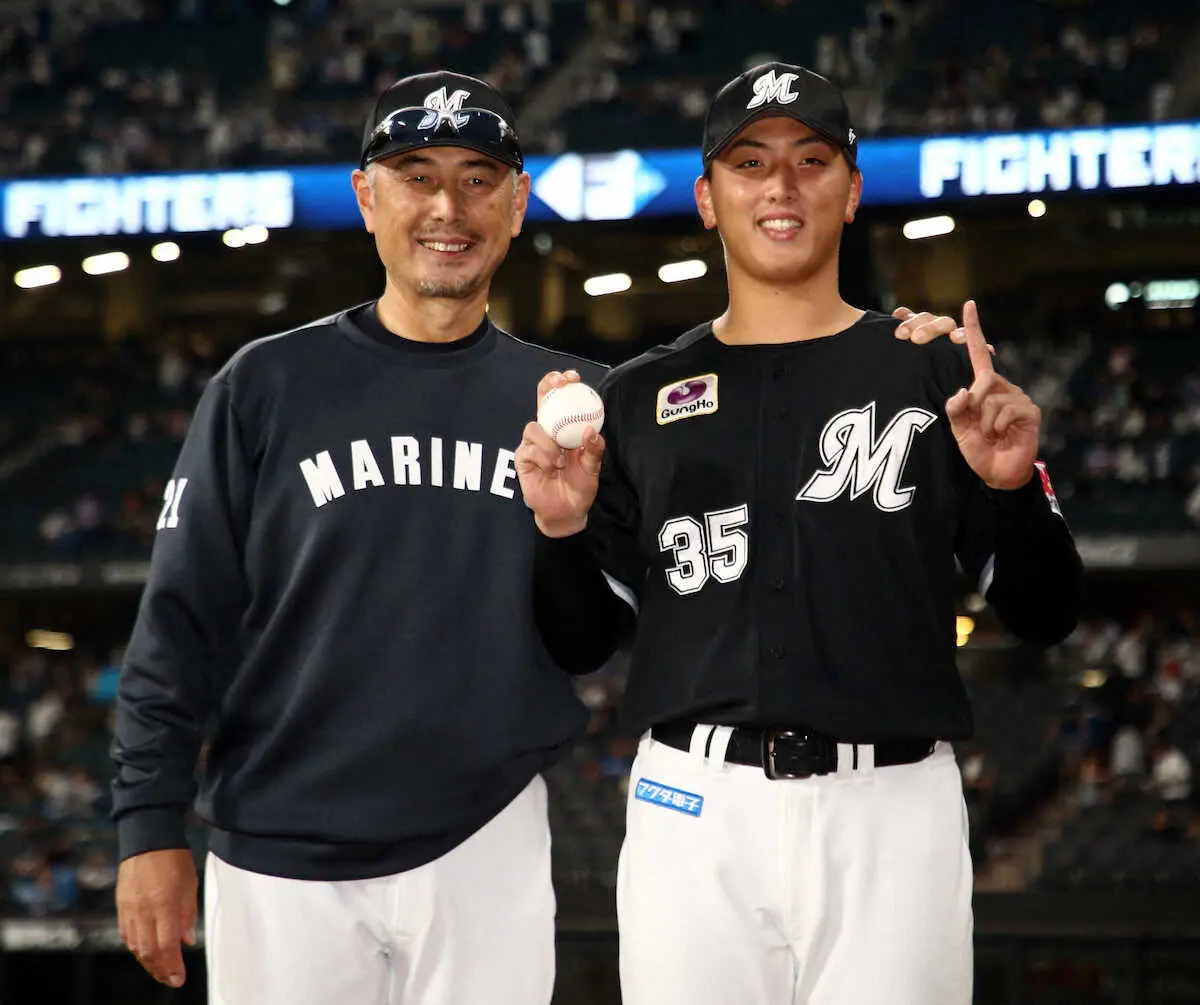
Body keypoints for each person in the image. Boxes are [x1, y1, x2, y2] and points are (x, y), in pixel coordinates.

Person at [515, 62, 1083, 1005]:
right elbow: (579, 638)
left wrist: (1015, 490)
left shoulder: (933, 370)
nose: (780, 186)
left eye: (810, 159)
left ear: (852, 189)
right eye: (749, 162)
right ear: (707, 196)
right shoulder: (641, 395)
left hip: (892, 806)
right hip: (693, 805)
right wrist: (560, 528)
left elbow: (1046, 609)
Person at [111, 71, 602, 1005]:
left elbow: (595, 632)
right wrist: (147, 827)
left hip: (485, 835)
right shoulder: (264, 385)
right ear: (366, 195)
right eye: (416, 175)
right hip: (278, 844)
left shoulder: (575, 402)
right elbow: (177, 623)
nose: (448, 207)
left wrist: (565, 529)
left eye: (477, 177)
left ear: (517, 201)